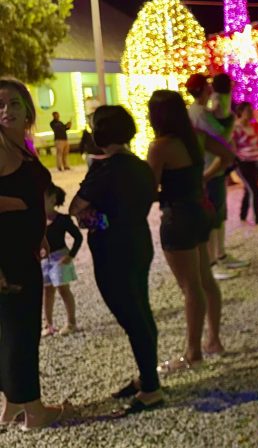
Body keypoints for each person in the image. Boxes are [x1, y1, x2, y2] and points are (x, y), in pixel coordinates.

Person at [69, 105, 165, 415]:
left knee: (131, 317)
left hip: (112, 250)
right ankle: (147, 377)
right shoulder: (139, 166)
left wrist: (95, 218)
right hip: (138, 241)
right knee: (141, 311)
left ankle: (151, 389)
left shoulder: (105, 170)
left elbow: (75, 207)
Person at [147, 90, 233, 373]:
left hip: (177, 216)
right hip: (199, 211)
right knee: (205, 279)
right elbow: (227, 155)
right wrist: (203, 178)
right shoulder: (196, 136)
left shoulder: (160, 147)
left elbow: (150, 188)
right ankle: (214, 340)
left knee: (190, 286)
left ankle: (193, 353)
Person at [0, 78, 68, 429]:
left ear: (27, 108)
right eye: (0, 105)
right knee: (21, 334)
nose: (6, 110)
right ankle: (35, 412)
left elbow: (30, 194)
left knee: (15, 331)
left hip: (23, 250)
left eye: (14, 103)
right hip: (6, 256)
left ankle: (13, 405)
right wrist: (14, 204)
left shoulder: (21, 146)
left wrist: (39, 231)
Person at [186, 73, 247, 278]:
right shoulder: (199, 112)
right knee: (213, 218)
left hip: (214, 168)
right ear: (204, 89)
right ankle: (213, 262)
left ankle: (220, 256)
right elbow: (222, 135)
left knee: (219, 216)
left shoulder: (201, 111)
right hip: (210, 169)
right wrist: (231, 120)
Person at [41, 184, 81, 337]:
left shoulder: (63, 220)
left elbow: (78, 237)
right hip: (44, 260)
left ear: (52, 199)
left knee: (63, 290)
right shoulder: (37, 221)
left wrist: (70, 255)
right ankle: (48, 324)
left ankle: (71, 322)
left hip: (60, 258)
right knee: (47, 291)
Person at [231, 102, 258, 225]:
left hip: (256, 162)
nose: (251, 113)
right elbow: (233, 147)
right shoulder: (236, 127)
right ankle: (257, 220)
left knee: (249, 189)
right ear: (241, 112)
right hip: (243, 163)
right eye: (248, 111)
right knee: (254, 190)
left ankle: (243, 214)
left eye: (251, 110)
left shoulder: (253, 126)